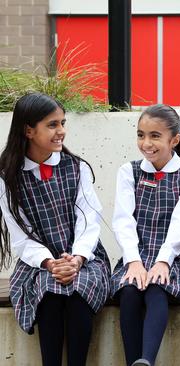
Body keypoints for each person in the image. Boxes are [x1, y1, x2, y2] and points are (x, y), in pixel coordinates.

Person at [0, 93, 110, 366]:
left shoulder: (77, 167)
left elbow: (88, 220)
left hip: (85, 258)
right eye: (52, 124)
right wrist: (51, 263)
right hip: (38, 262)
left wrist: (77, 259)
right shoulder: (7, 178)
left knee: (79, 288)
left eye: (63, 122)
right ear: (28, 130)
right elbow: (21, 236)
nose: (61, 131)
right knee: (49, 292)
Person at [111, 104, 180, 366]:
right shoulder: (128, 171)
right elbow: (123, 220)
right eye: (141, 135)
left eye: (155, 136)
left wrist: (163, 260)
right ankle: (134, 361)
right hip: (137, 253)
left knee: (157, 286)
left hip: (173, 257)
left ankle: (147, 360)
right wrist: (133, 260)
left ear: (174, 140)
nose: (146, 143)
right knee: (130, 290)